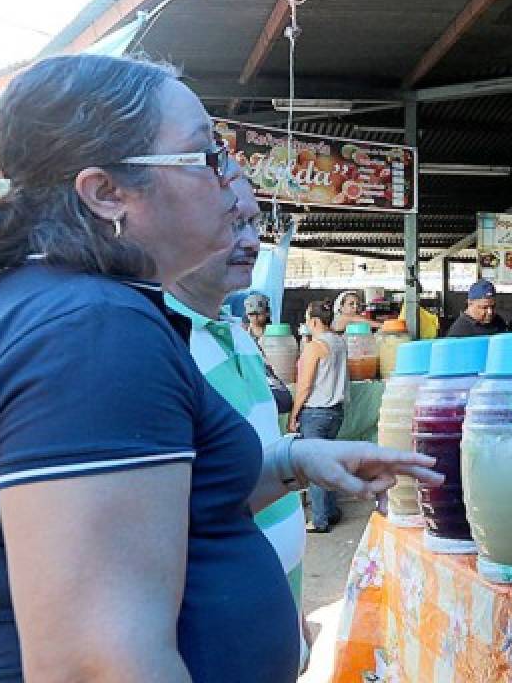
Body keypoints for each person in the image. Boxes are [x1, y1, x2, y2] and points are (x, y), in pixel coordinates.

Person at [0, 54, 441, 682]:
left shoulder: (70, 308)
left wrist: (291, 462)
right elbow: (97, 663)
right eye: (207, 155)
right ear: (107, 194)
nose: (233, 176)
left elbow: (162, 507)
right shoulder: (91, 333)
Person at [165, 178, 310, 668]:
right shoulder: (161, 345)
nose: (250, 240)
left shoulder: (238, 336)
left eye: (252, 223)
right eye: (231, 223)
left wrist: (292, 612)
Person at [288, 300, 350, 533]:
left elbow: (304, 386)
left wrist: (294, 415)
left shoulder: (315, 347)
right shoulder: (340, 342)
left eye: (306, 319)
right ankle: (331, 511)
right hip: (336, 412)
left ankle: (320, 519)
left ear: (314, 321)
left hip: (315, 413)